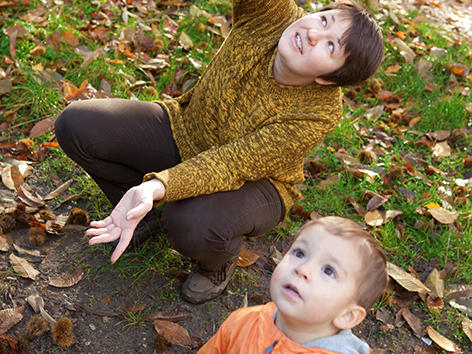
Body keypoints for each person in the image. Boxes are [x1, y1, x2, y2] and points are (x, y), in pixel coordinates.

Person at [54, 0, 384, 304]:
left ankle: (216, 263)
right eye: (323, 19)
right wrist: (152, 190)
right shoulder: (274, 17)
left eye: (330, 45)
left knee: (191, 224)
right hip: (186, 129)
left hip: (255, 184)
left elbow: (231, 163)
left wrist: (156, 186)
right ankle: (143, 215)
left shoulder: (318, 113)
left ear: (329, 79)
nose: (313, 33)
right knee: (78, 126)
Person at [196, 216, 388, 354]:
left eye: (328, 271)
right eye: (300, 254)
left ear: (347, 315)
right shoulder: (244, 321)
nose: (303, 269)